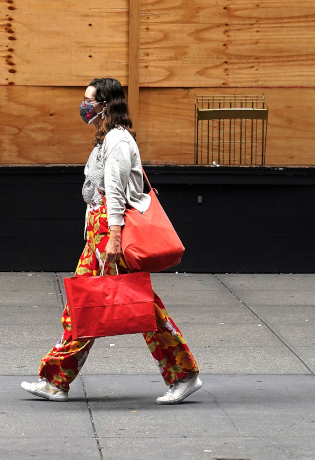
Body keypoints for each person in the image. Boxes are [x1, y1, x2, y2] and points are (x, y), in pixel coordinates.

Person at [21, 77, 202, 404]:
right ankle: (57, 380)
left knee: (103, 304)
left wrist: (114, 238)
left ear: (106, 104)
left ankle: (182, 373)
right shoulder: (107, 137)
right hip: (100, 234)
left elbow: (115, 194)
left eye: (90, 99)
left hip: (109, 234)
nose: (84, 105)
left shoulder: (117, 140)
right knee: (89, 304)